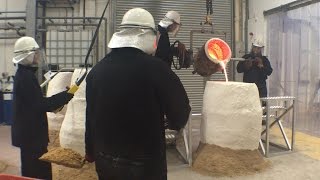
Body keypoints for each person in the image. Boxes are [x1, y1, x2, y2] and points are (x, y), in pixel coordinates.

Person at [85, 8, 191, 180]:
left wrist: (90, 151)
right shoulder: (157, 69)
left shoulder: (96, 72)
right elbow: (180, 113)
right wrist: (170, 123)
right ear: (150, 37)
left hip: (106, 163)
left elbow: (90, 117)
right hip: (144, 165)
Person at [11, 36, 74, 179]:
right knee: (38, 173)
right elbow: (42, 105)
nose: (38, 56)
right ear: (27, 55)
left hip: (29, 136)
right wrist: (67, 95)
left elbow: (36, 103)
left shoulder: (23, 75)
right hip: (31, 138)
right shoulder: (26, 77)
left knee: (33, 170)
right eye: (35, 53)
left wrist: (64, 96)